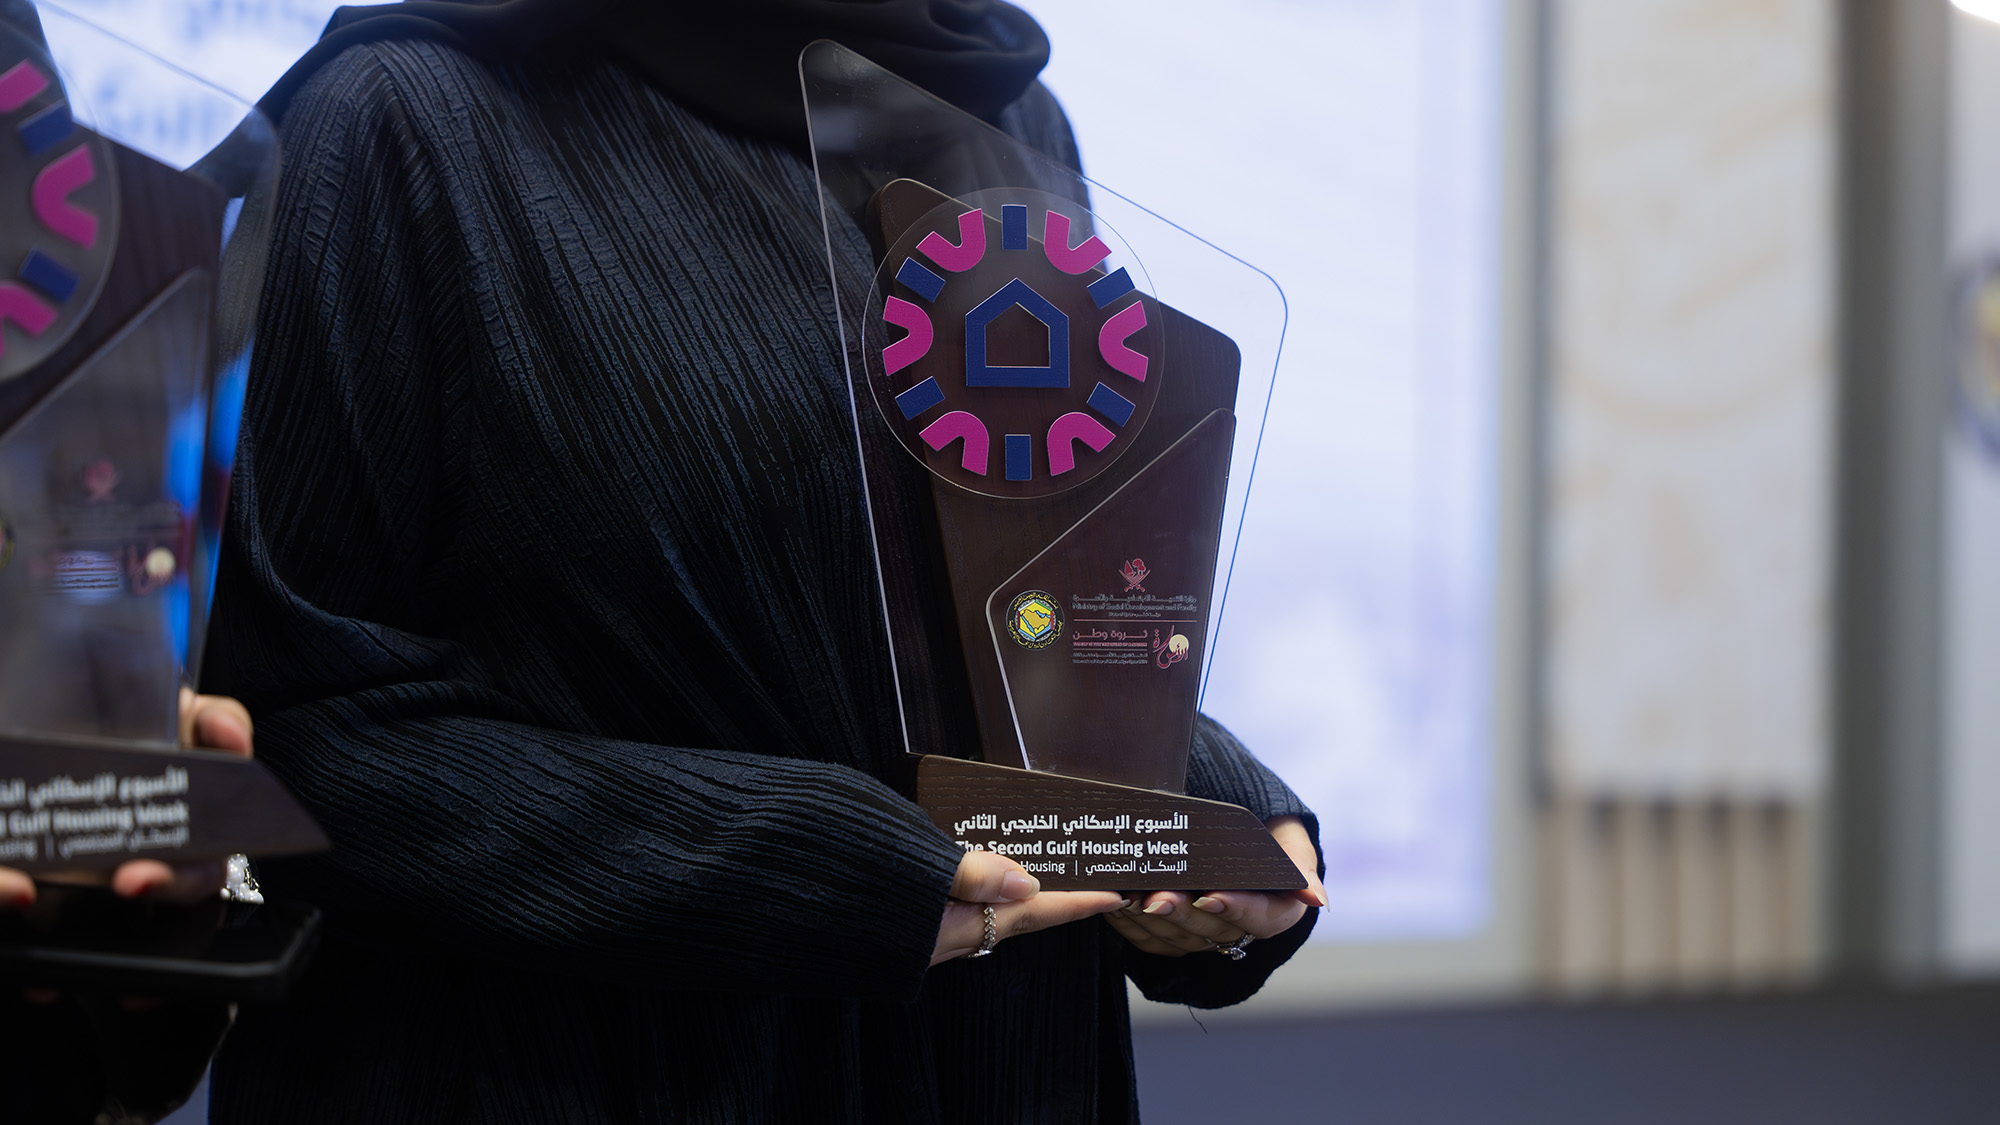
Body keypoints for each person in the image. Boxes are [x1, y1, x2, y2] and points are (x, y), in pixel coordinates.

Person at [202, 1, 1326, 1120]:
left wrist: (1208, 815)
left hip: (1004, 1062)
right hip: (568, 1068)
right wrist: (807, 875)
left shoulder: (1003, 112)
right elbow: (288, 736)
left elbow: (1020, 608)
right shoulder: (406, 119)